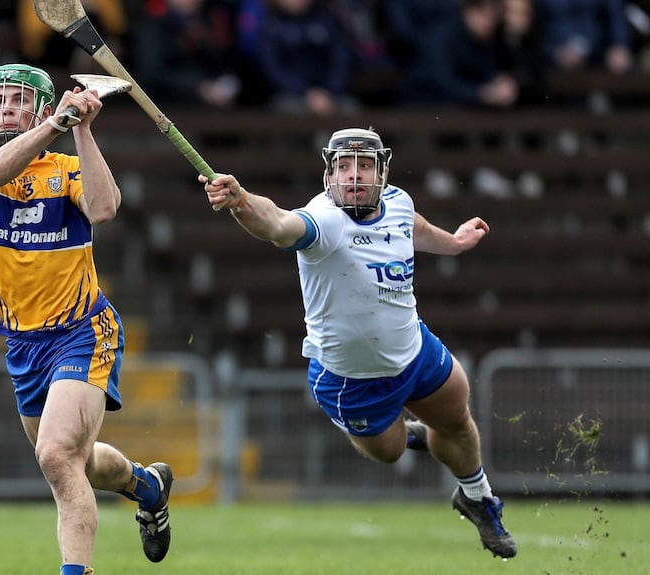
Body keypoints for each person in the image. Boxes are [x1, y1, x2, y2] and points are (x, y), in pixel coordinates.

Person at [200, 127, 518, 559]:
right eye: (344, 166)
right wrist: (241, 202)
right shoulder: (325, 220)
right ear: (329, 174)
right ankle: (405, 432)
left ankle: (477, 499)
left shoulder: (398, 202)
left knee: (458, 417)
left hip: (415, 350)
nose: (353, 176)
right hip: (353, 380)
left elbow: (414, 230)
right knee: (388, 453)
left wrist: (455, 243)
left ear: (381, 173)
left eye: (364, 166)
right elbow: (275, 222)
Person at [0, 64, 173, 575]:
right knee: (74, 462)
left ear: (40, 104)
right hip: (22, 344)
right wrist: (55, 124)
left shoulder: (66, 167)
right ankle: (147, 486)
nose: (7, 108)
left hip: (83, 330)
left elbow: (103, 209)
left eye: (19, 99)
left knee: (56, 456)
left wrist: (82, 129)